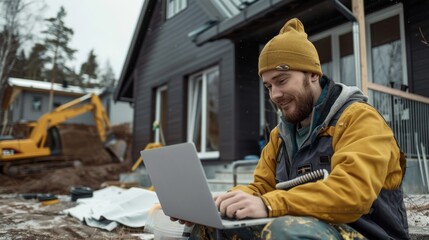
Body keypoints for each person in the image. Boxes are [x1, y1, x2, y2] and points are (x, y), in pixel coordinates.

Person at [173, 17, 409, 240]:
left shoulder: (359, 119)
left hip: (367, 233)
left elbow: (352, 193)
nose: (275, 95)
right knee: (213, 225)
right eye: (268, 86)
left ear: (313, 75)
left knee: (285, 230)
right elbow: (261, 188)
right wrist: (222, 203)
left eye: (282, 81)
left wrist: (271, 204)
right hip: (307, 226)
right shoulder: (280, 137)